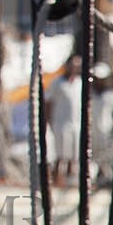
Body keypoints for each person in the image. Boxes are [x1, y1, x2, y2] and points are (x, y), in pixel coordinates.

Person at [46, 55, 84, 186]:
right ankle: (57, 182)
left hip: (77, 124)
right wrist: (48, 120)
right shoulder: (57, 82)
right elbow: (48, 102)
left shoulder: (80, 83)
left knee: (74, 155)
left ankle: (70, 182)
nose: (74, 68)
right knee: (60, 155)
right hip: (60, 123)